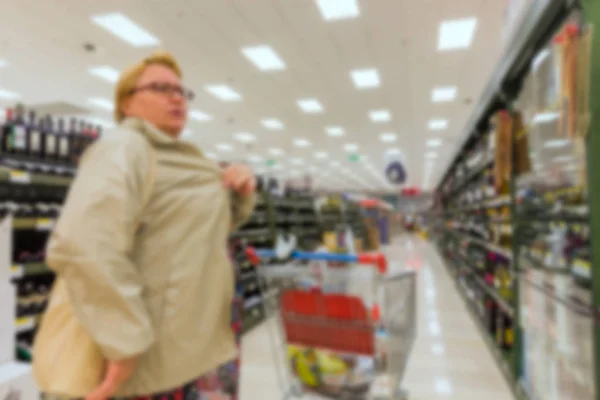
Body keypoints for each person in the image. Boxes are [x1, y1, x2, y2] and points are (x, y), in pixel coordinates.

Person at [35, 50, 256, 399]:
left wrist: (237, 193)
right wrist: (124, 344)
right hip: (120, 362)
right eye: (160, 88)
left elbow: (200, 233)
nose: (176, 97)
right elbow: (85, 245)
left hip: (162, 353)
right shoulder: (124, 148)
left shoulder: (179, 159)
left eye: (182, 91)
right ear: (126, 102)